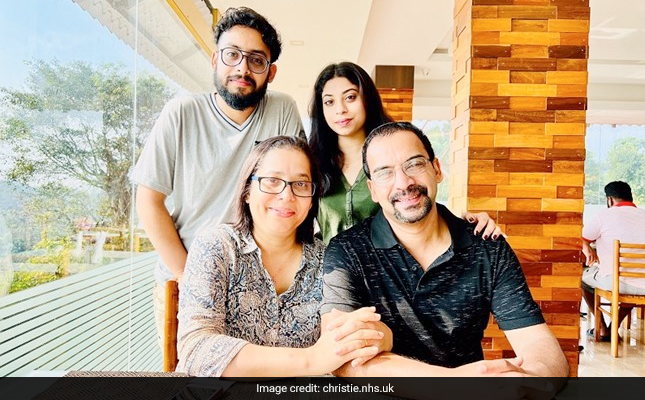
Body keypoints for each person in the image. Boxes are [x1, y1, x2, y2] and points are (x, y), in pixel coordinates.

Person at [320, 122, 569, 383]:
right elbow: (342, 358)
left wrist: (530, 380)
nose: (404, 182)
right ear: (372, 189)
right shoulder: (347, 251)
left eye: (415, 164)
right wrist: (450, 383)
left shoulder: (487, 246)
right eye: (385, 173)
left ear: (437, 169)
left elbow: (539, 345)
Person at [132, 7, 304, 345]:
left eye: (256, 60)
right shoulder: (181, 113)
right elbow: (148, 201)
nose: (242, 68)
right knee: (190, 373)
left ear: (271, 72)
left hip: (256, 283)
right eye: (232, 54)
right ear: (215, 60)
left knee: (256, 372)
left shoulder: (282, 109)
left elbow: (296, 187)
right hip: (183, 277)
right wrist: (189, 276)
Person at [176, 136, 382, 377]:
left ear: (311, 200)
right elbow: (196, 350)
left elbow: (343, 346)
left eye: (301, 184)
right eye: (272, 181)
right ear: (247, 191)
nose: (287, 195)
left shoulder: (330, 261)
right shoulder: (216, 246)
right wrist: (310, 360)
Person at [308, 62, 501, 244]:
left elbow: (421, 201)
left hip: (393, 265)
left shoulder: (399, 153)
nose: (340, 109)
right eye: (329, 102)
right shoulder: (313, 163)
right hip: (332, 266)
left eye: (350, 97)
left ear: (367, 99)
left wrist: (466, 224)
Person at [581, 181, 645, 340]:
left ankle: (602, 328)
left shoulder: (604, 215)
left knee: (581, 280)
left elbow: (580, 237)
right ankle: (614, 327)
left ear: (610, 200)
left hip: (616, 282)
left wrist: (586, 247)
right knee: (633, 282)